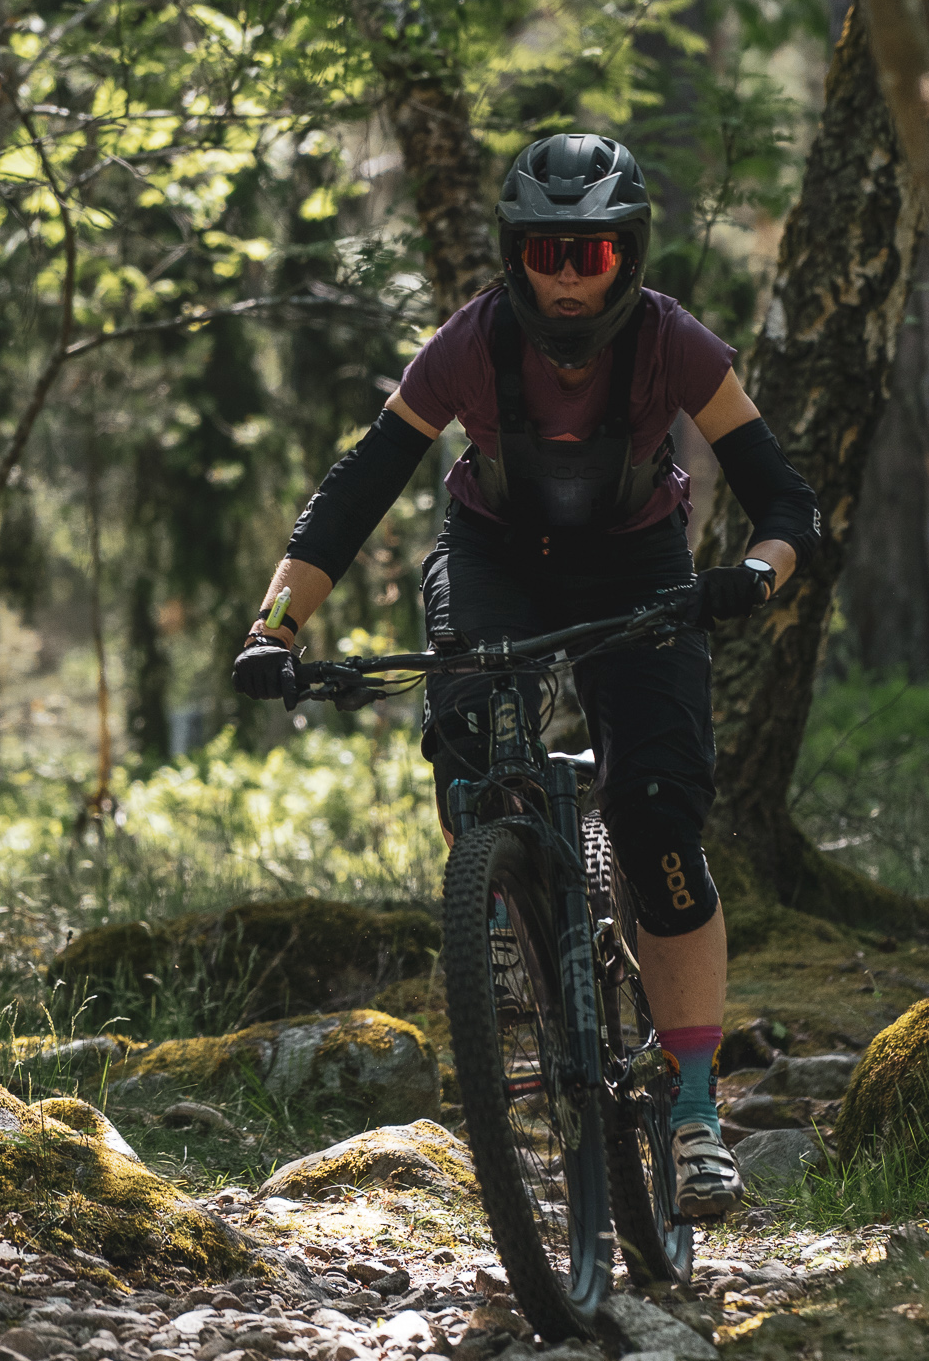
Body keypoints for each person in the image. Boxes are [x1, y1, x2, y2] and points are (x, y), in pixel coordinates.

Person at [234, 134, 819, 1221]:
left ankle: (695, 1111)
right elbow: (358, 489)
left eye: (589, 253)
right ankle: (503, 908)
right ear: (514, 254)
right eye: (545, 251)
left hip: (639, 565)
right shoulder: (468, 343)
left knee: (658, 816)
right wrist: (275, 629)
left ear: (627, 254)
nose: (565, 276)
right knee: (466, 752)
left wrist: (753, 573)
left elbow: (786, 501)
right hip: (494, 554)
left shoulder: (675, 343)